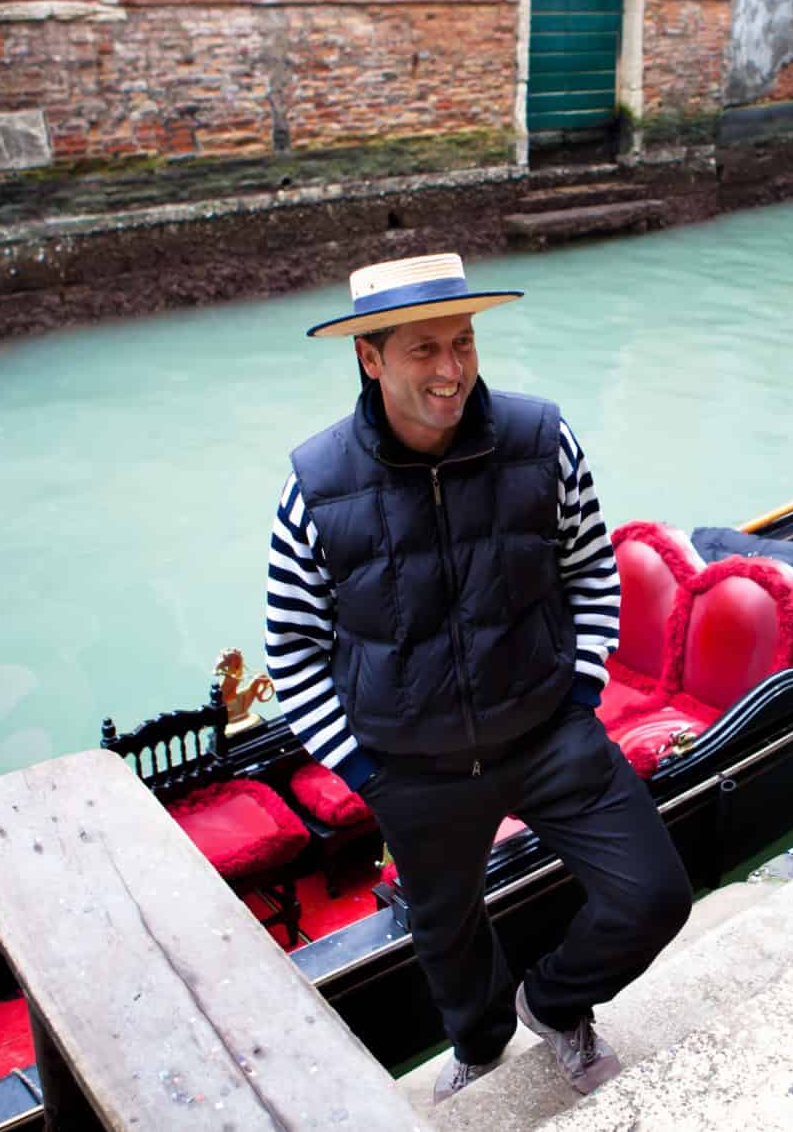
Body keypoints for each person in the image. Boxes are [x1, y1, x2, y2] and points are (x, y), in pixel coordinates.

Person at [264, 252, 691, 1103]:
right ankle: (483, 1046)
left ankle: (557, 1003)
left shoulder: (544, 441)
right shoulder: (312, 489)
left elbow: (589, 569)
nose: (452, 369)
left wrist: (578, 691)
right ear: (370, 357)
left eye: (462, 341)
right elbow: (293, 646)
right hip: (410, 764)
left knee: (657, 894)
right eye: (422, 349)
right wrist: (363, 769)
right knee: (447, 937)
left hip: (545, 729)